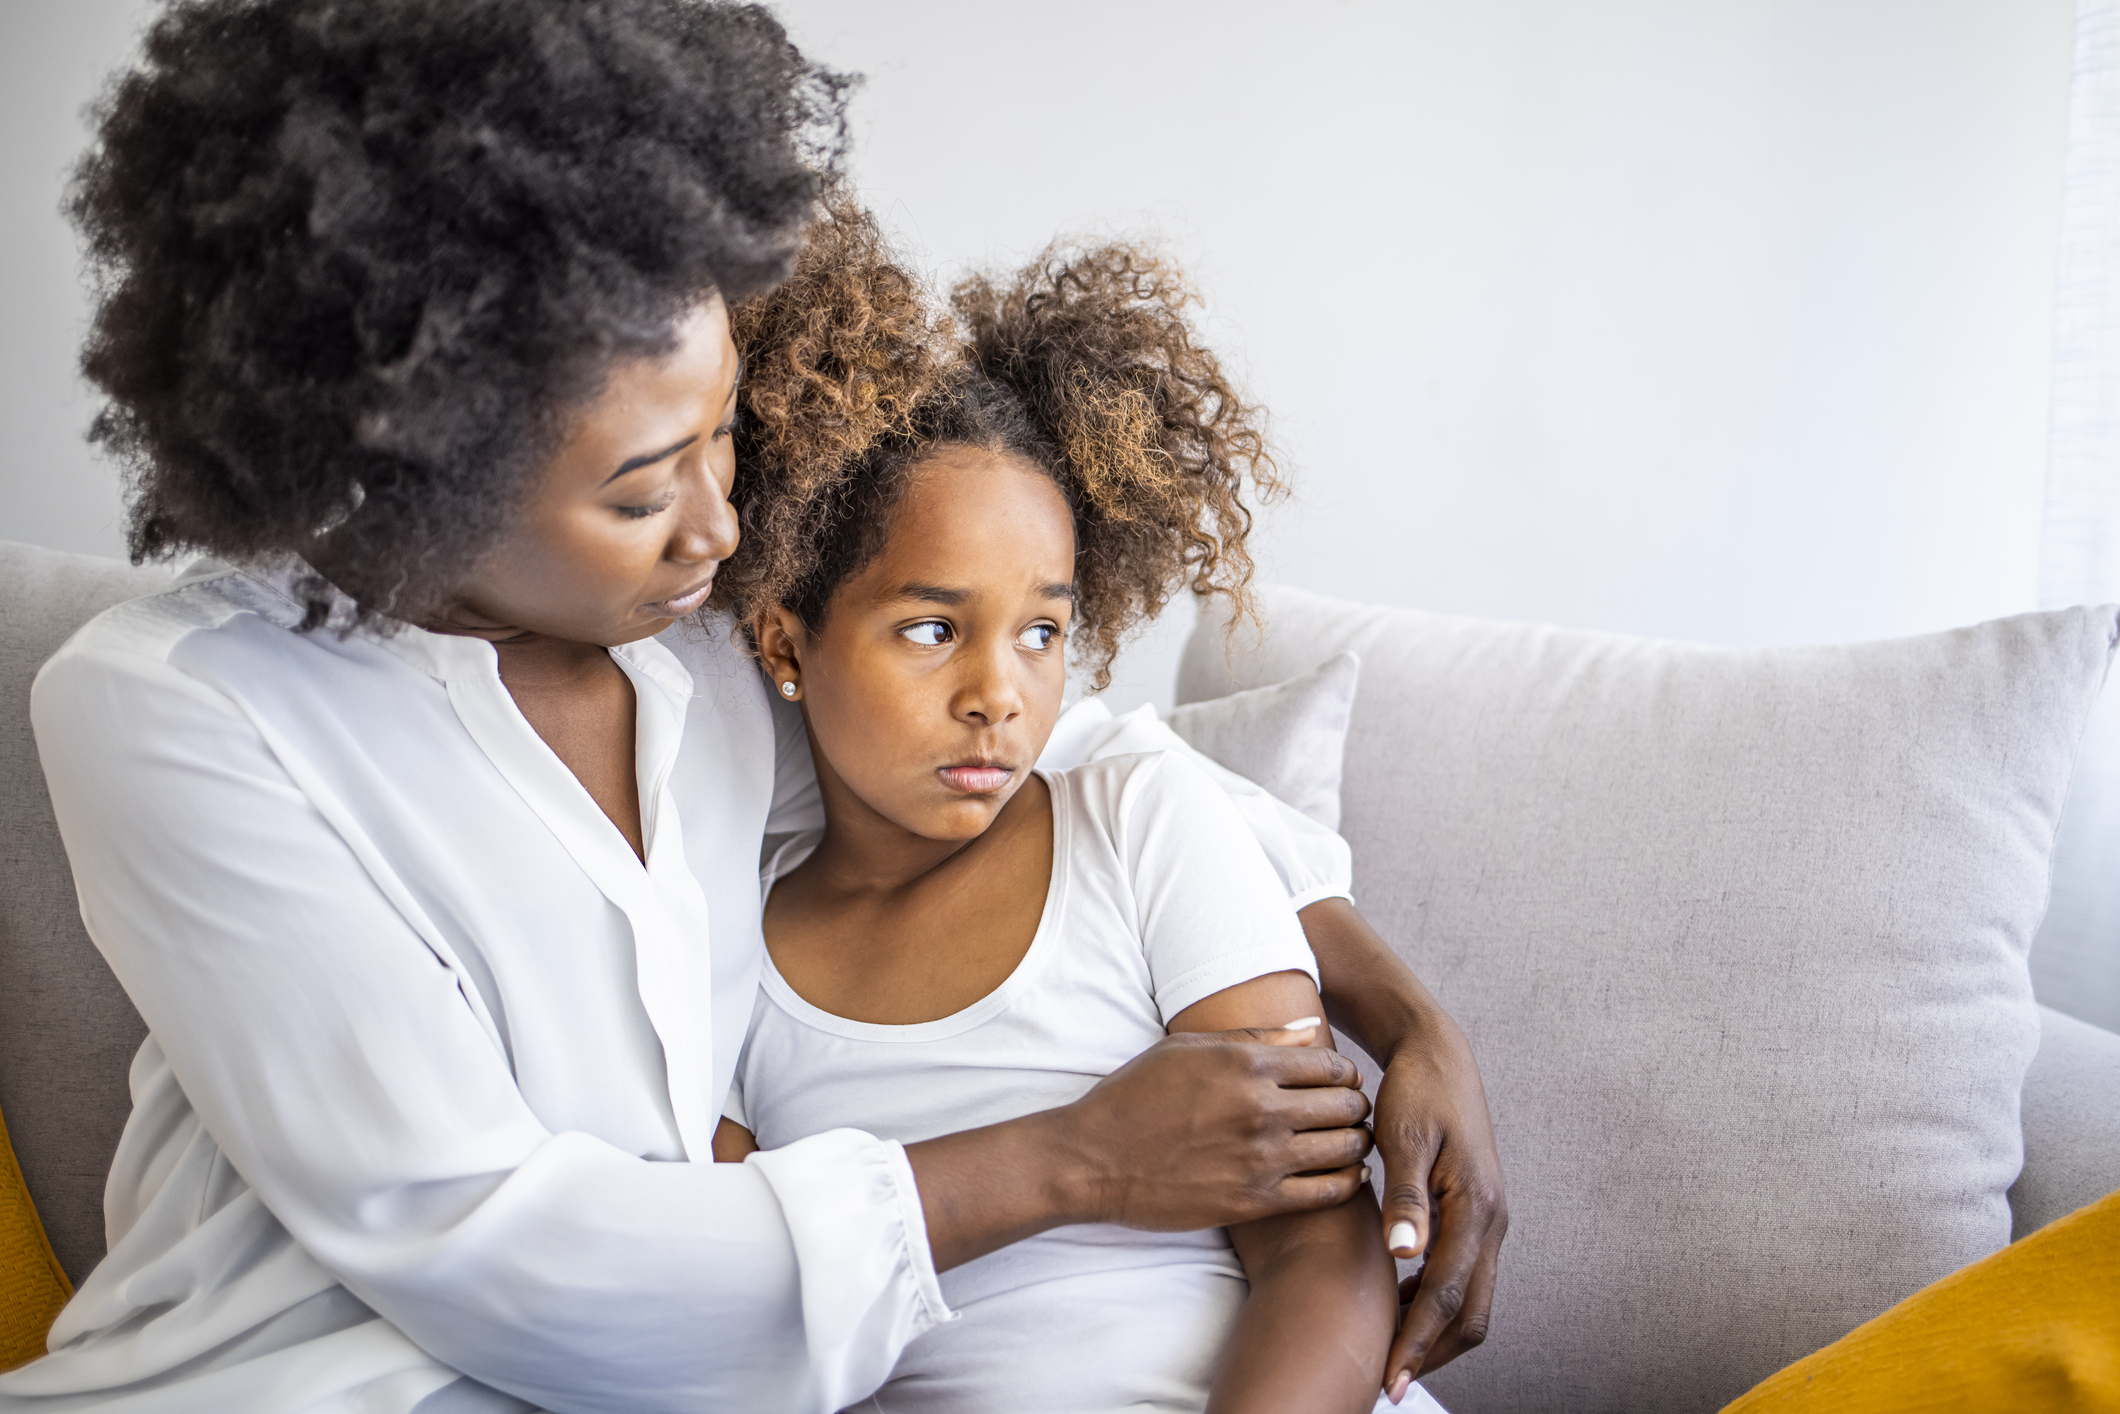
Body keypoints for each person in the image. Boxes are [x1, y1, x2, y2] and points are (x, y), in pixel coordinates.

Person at [2, 2, 1504, 1411]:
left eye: (723, 436)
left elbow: (1060, 743)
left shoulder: (698, 651)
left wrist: (1414, 1022)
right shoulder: (177, 708)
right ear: (410, 470)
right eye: (646, 487)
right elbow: (473, 1236)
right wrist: (1071, 1161)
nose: (719, 528)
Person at [709, 203, 1448, 1412]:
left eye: (1041, 632)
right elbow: (738, 1311)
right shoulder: (719, 946)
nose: (996, 695)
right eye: (930, 629)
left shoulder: (1134, 817)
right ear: (786, 639)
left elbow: (1321, 1249)